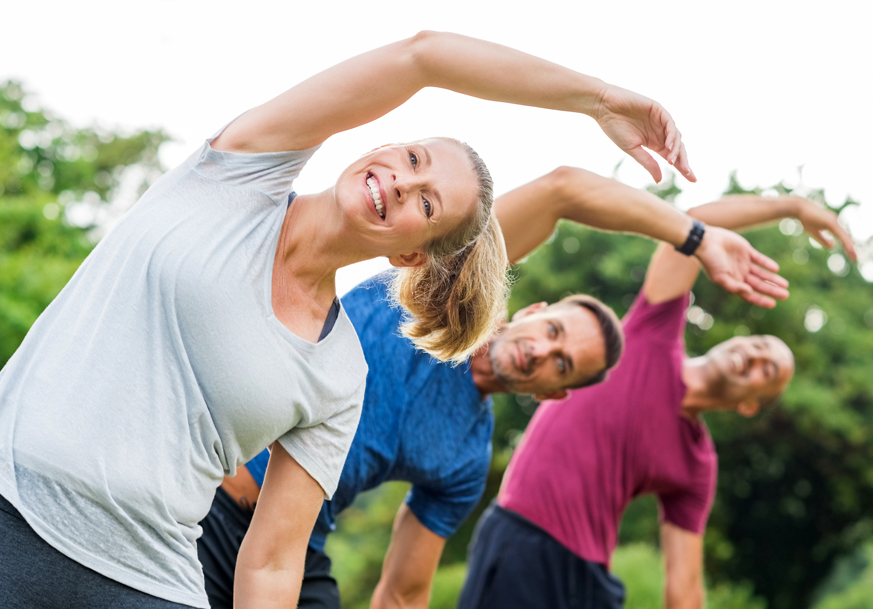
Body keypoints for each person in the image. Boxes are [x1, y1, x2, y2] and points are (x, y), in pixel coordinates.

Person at [0, 30, 735, 609]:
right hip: (32, 500)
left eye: (426, 204)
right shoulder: (239, 173)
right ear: (380, 143)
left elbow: (288, 561)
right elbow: (423, 56)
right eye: (413, 158)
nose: (406, 181)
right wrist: (596, 101)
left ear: (417, 255)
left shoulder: (348, 373)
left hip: (155, 565)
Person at [197, 166, 793, 609]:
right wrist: (697, 236)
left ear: (553, 395)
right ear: (530, 309)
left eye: (562, 365)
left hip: (294, 553)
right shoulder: (436, 295)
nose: (543, 350)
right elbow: (563, 190)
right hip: (208, 508)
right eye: (553, 330)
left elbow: (404, 593)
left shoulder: (463, 460)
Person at [457, 190, 856, 609]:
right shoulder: (654, 331)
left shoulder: (696, 464)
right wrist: (790, 207)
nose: (755, 356)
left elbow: (684, 586)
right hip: (523, 540)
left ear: (750, 404)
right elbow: (694, 225)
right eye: (759, 344)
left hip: (591, 586)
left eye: (767, 370)